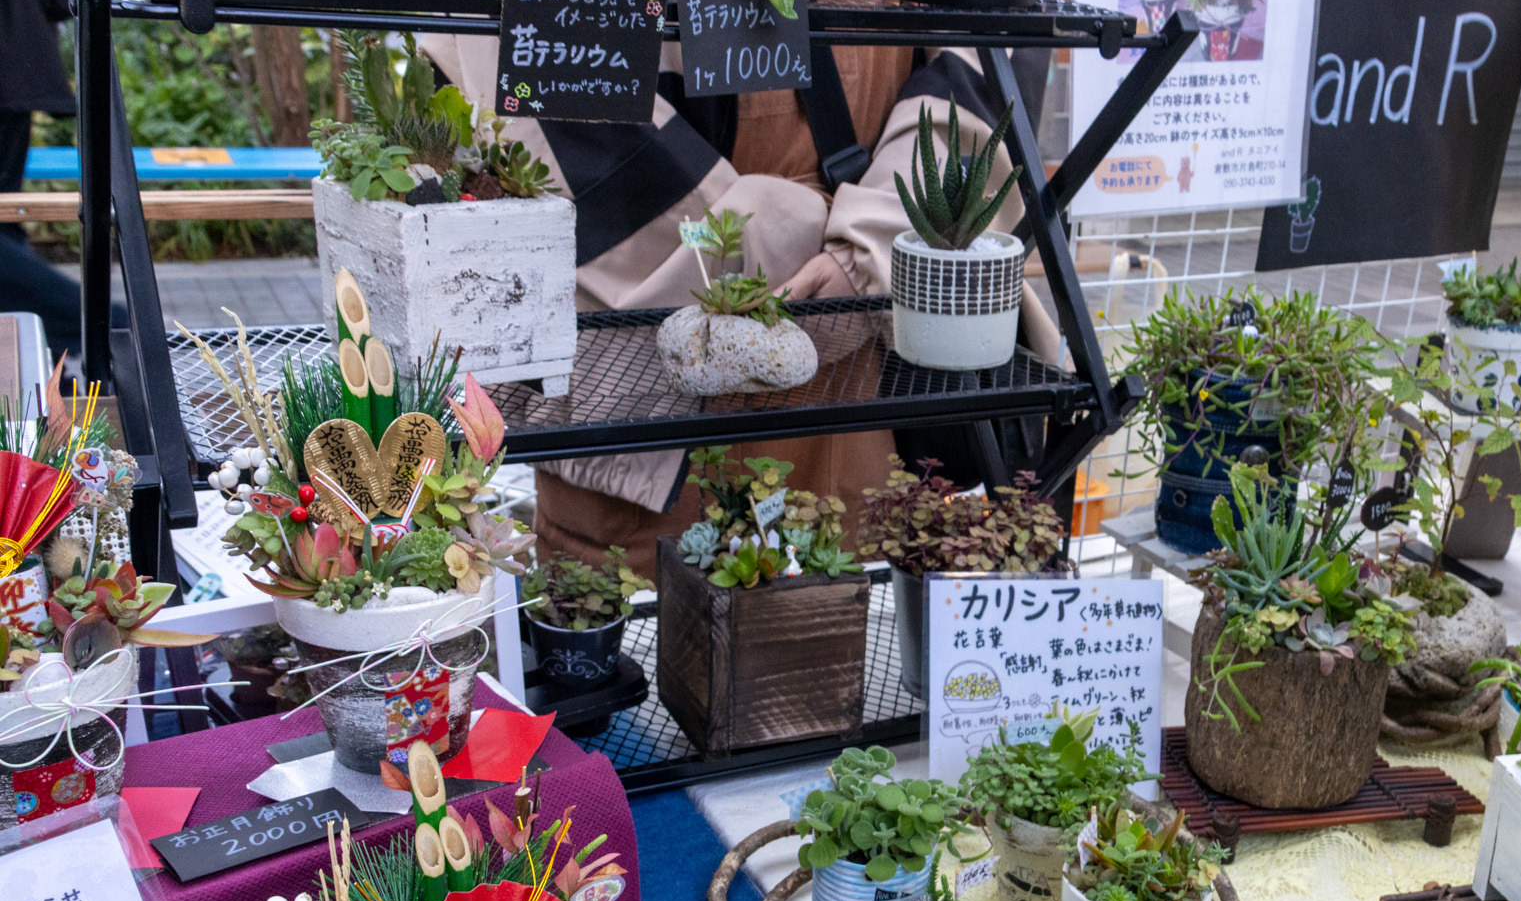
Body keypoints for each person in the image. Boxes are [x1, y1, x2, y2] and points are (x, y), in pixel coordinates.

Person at [417, 32, 1057, 567]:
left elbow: (985, 48)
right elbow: (547, 58)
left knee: (836, 618)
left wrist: (872, 248)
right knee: (640, 628)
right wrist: (829, 252)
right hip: (654, 399)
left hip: (863, 402)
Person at [0, 0, 93, 366]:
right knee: (3, 225)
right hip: (15, 76)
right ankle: (39, 359)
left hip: (11, 77)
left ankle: (80, 320)